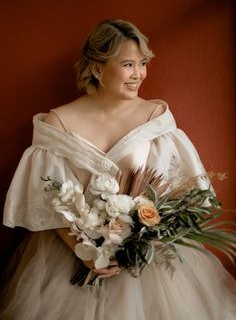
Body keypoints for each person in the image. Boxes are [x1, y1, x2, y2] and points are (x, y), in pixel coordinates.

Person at [1, 19, 236, 320]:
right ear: (97, 69)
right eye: (128, 64)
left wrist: (141, 240)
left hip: (147, 263)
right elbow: (48, 200)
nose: (139, 74)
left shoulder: (155, 119)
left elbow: (180, 190)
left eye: (142, 63)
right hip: (71, 257)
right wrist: (87, 254)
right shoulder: (57, 122)